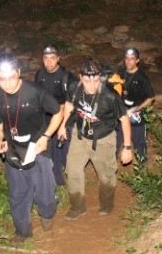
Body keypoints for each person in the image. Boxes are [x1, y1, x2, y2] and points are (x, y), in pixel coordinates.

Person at [0, 53, 63, 243]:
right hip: (13, 148)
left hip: (38, 146)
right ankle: (23, 231)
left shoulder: (35, 91)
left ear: (18, 73)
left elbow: (57, 112)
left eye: (12, 77)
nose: (7, 83)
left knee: (45, 191)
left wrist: (46, 137)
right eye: (2, 79)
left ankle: (47, 214)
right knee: (18, 192)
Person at [57, 59, 133, 220]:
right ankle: (77, 207)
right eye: (87, 81)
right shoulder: (74, 87)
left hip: (104, 139)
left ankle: (106, 204)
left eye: (96, 81)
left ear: (99, 77)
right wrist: (62, 125)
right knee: (73, 172)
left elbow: (124, 119)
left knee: (106, 176)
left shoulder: (110, 96)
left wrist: (127, 147)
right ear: (80, 77)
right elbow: (69, 105)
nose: (92, 86)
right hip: (80, 136)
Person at [34, 44, 77, 186]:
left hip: (66, 118)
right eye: (46, 58)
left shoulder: (67, 77)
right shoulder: (40, 75)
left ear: (58, 59)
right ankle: (57, 180)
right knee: (49, 150)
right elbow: (38, 98)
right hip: (47, 118)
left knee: (64, 150)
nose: (49, 62)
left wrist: (62, 125)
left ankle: (72, 177)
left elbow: (70, 103)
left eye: (52, 58)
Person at [116, 47, 156, 164]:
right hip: (122, 113)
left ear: (137, 60)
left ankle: (142, 162)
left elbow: (151, 97)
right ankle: (112, 159)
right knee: (116, 138)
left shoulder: (142, 78)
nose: (128, 61)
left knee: (139, 141)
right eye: (126, 59)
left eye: (132, 59)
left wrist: (136, 109)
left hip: (136, 114)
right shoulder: (120, 73)